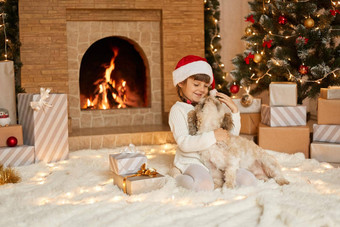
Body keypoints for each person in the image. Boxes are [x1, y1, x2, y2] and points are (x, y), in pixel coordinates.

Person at [168, 55, 257, 191]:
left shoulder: (211, 106)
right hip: (193, 160)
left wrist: (234, 111)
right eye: (196, 84)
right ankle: (177, 177)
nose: (201, 89)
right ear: (181, 82)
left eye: (205, 86)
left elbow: (229, 137)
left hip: (216, 160)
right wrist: (213, 136)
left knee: (248, 180)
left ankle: (214, 176)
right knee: (204, 186)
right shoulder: (178, 110)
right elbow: (184, 143)